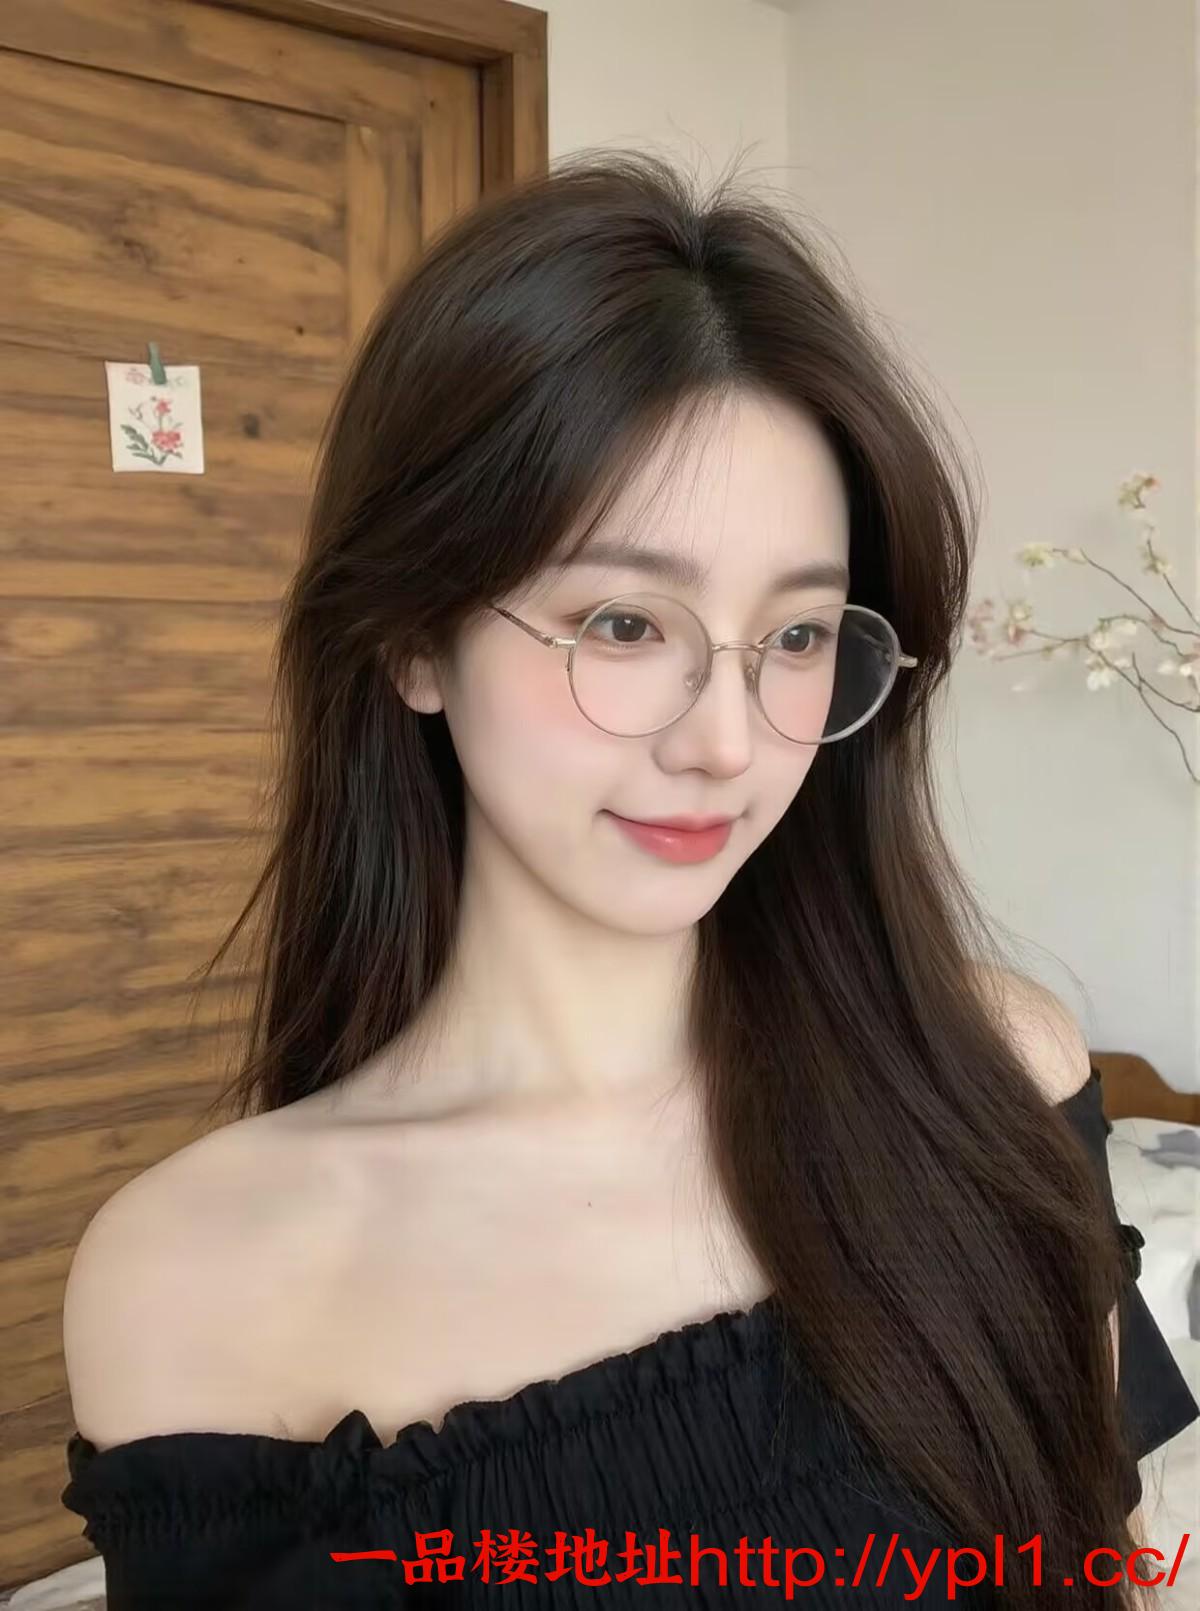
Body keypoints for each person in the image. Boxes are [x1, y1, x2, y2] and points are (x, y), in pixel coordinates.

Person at [59, 154, 1196, 1609]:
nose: (725, 742)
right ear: (412, 639)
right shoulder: (200, 1276)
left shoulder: (988, 1070)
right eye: (622, 622)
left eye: (797, 638)